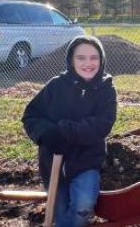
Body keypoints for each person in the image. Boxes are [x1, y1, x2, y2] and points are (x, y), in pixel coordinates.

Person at [22, 35, 117, 227]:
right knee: (58, 209)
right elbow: (31, 116)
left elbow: (101, 124)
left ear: (102, 60)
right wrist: (48, 134)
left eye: (94, 57)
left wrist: (64, 131)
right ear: (71, 61)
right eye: (81, 57)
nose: (88, 63)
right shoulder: (56, 86)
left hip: (87, 160)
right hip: (53, 162)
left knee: (83, 205)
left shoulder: (106, 90)